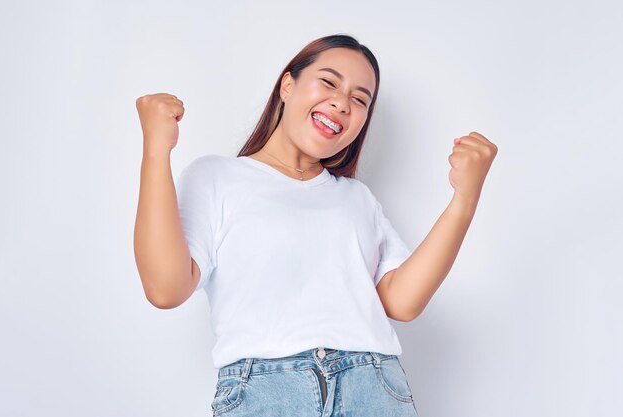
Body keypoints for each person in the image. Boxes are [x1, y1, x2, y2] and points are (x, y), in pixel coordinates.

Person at [134, 33, 497, 417]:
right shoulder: (216, 177)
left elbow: (402, 302)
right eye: (328, 82)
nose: (342, 103)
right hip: (266, 395)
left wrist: (464, 200)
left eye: (360, 100)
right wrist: (156, 149)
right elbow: (165, 288)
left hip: (374, 388)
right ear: (287, 85)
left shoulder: (356, 198)